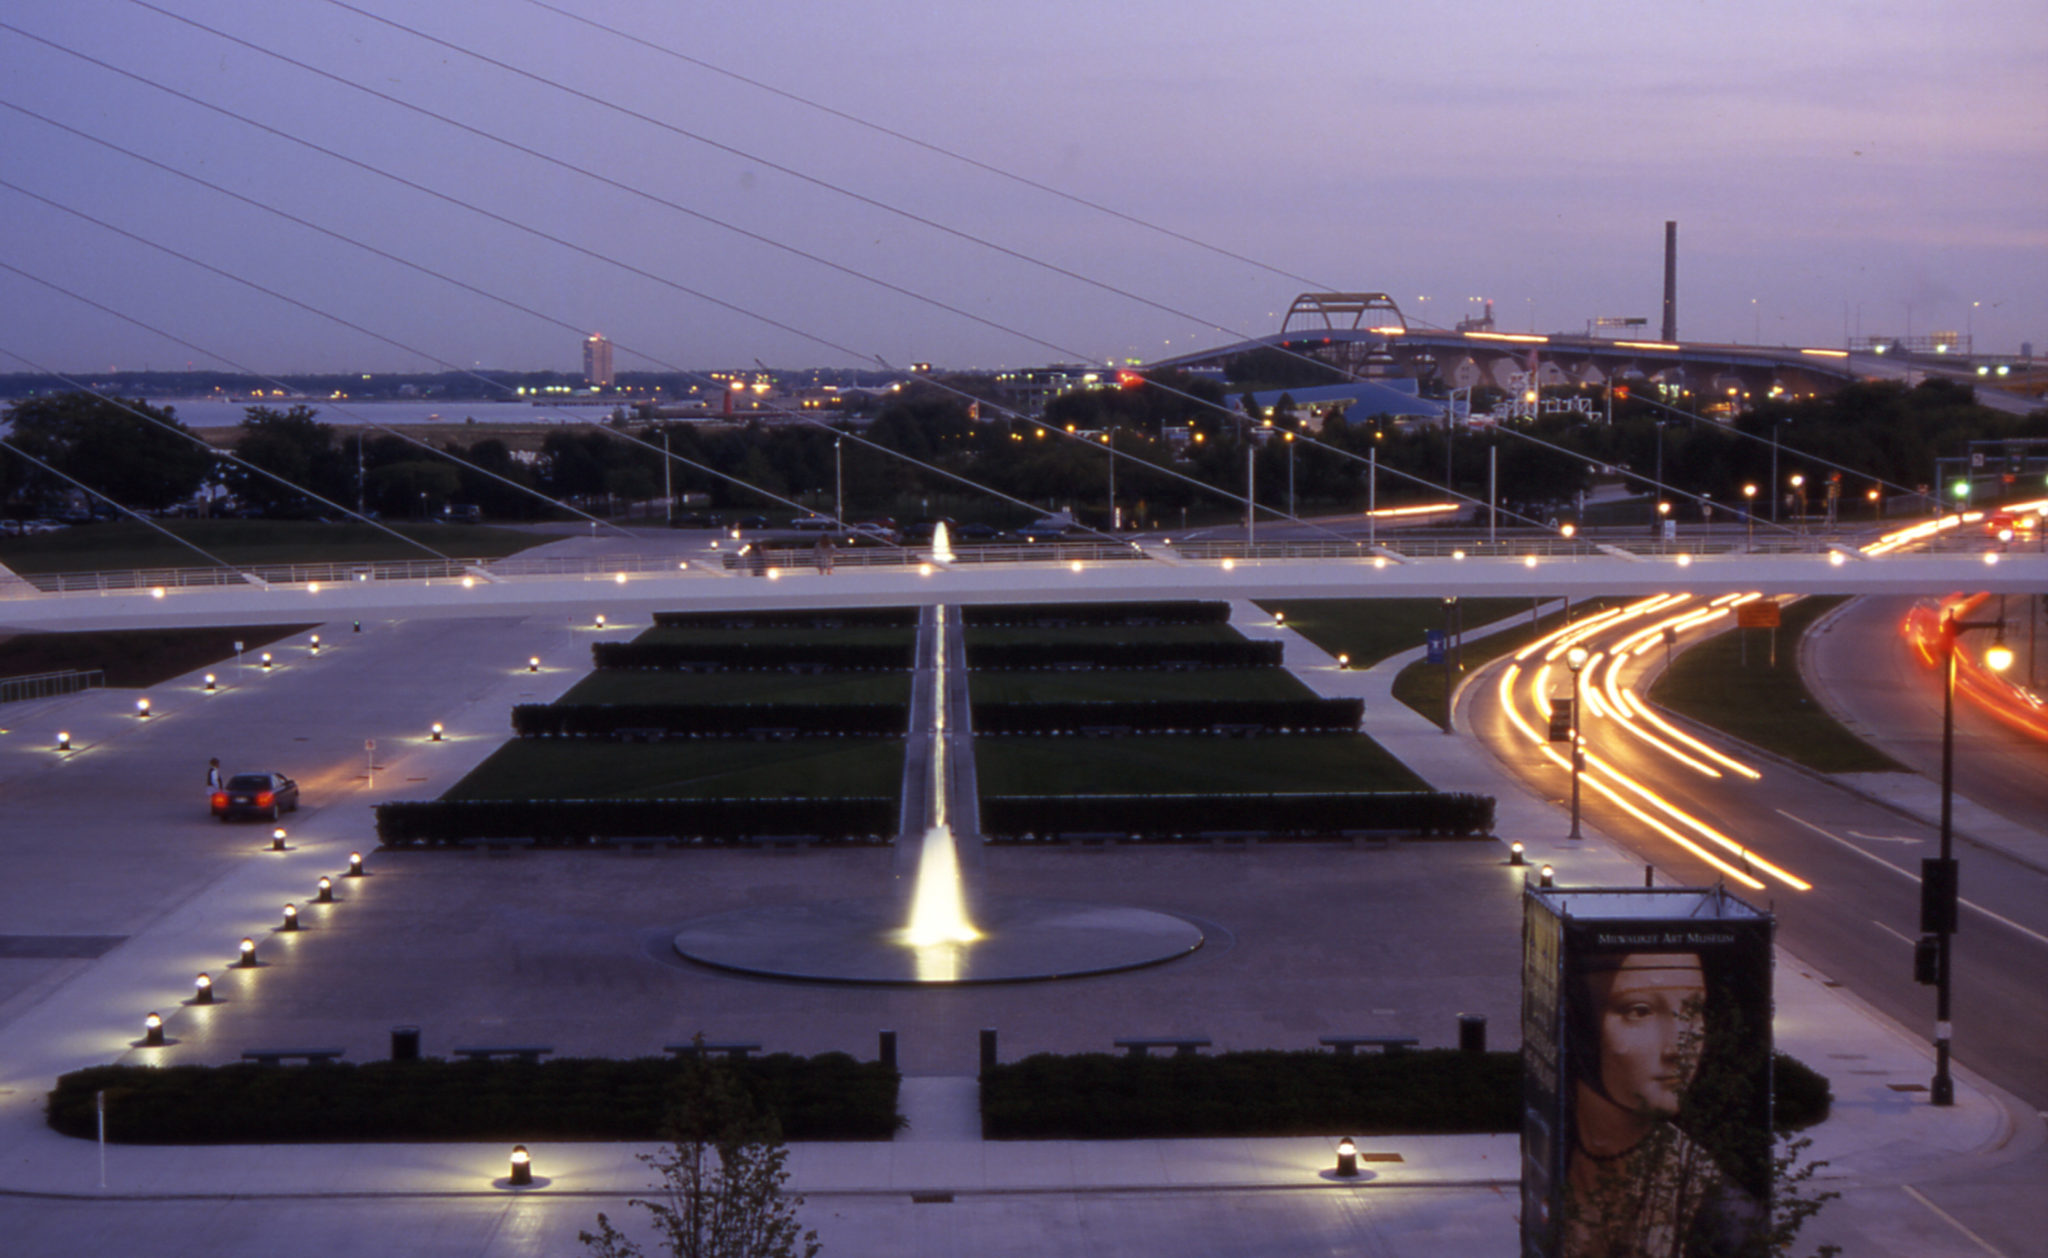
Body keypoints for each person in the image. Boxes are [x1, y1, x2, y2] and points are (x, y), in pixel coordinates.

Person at [1562, 952, 1759, 1258]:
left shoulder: (1724, 1213)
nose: (1677, 1048)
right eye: (1640, 1011)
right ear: (1582, 1022)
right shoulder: (1556, 1145)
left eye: (1693, 1010)